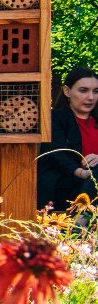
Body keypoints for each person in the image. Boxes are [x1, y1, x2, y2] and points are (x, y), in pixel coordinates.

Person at [38, 64, 98, 210]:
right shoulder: (55, 118)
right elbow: (57, 153)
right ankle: (83, 217)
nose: (90, 97)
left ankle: (84, 217)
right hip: (66, 185)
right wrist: (82, 173)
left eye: (96, 91)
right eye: (83, 90)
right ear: (67, 91)